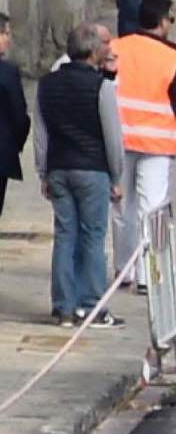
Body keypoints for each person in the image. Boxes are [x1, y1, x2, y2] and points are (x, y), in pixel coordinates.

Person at [111, 0, 176, 293]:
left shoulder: (115, 48)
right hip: (157, 144)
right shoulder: (171, 59)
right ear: (163, 22)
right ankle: (149, 276)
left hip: (119, 140)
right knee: (152, 208)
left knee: (121, 207)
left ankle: (123, 271)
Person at [35, 26, 120, 330]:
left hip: (59, 166)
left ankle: (64, 308)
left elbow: (41, 134)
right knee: (93, 237)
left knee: (65, 235)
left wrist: (43, 171)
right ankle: (93, 305)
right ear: (94, 52)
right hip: (92, 169)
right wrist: (117, 175)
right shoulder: (102, 87)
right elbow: (113, 137)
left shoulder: (47, 85)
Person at [0, 13, 23, 230]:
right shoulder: (7, 72)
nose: (9, 39)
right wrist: (16, 144)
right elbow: (19, 115)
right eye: (5, 33)